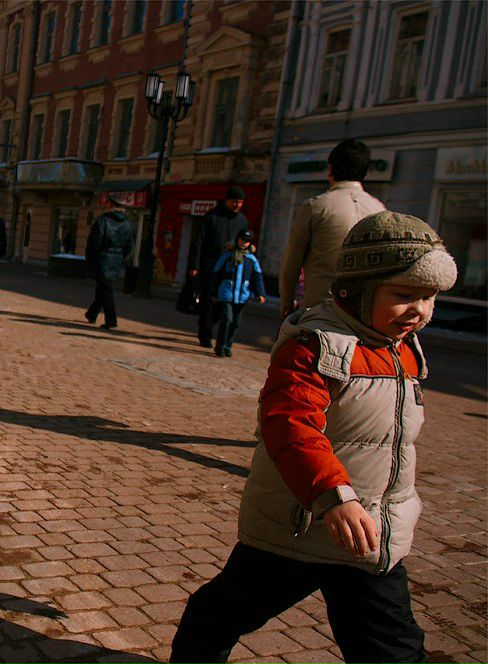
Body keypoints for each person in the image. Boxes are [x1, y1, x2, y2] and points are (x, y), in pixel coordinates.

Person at [170, 211, 458, 664]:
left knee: (392, 649)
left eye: (430, 297)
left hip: (369, 535)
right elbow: (290, 422)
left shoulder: (401, 345)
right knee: (218, 616)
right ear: (357, 290)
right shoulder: (316, 342)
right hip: (300, 524)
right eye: (404, 295)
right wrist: (332, 494)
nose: (419, 310)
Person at [279, 139, 385, 318]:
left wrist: (286, 303)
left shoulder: (316, 207)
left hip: (320, 311)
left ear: (330, 168)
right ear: (366, 172)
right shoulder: (379, 210)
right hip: (362, 314)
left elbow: (291, 263)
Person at [187, 185, 249, 347]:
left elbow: (246, 243)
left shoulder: (242, 221)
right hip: (210, 266)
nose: (238, 205)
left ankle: (206, 322)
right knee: (208, 301)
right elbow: (198, 241)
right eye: (235, 201)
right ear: (227, 200)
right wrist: (194, 265)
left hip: (230, 269)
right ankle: (205, 336)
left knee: (223, 305)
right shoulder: (212, 216)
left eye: (240, 202)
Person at [210, 229, 265, 358]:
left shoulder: (251, 260)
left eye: (246, 241)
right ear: (237, 239)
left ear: (250, 243)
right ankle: (220, 346)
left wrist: (260, 293)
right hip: (226, 293)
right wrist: (213, 292)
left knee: (236, 323)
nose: (243, 243)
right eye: (241, 239)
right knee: (227, 318)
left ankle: (228, 345)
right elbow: (216, 274)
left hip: (242, 295)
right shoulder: (228, 256)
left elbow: (257, 277)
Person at [85, 194, 134, 329]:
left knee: (106, 290)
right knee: (103, 288)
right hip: (115, 260)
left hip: (103, 259)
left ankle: (111, 320)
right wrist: (119, 256)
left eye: (107, 202)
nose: (105, 204)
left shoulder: (103, 221)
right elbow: (129, 245)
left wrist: (91, 257)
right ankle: (92, 313)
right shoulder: (127, 224)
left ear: (111, 205)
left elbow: (94, 242)